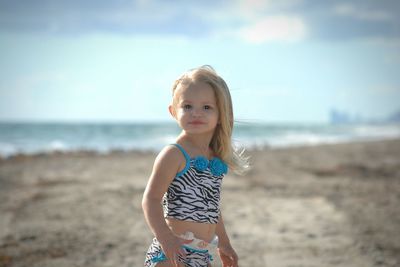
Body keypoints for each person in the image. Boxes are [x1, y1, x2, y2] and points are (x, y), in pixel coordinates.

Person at [142, 65, 248, 267]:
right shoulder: (174, 154)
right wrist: (166, 239)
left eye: (206, 107)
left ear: (221, 115)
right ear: (174, 111)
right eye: (187, 106)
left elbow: (211, 207)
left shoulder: (214, 158)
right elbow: (151, 199)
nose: (196, 113)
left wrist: (224, 243)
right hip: (173, 253)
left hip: (201, 255)